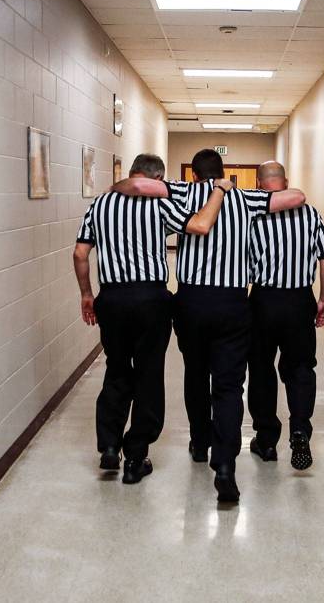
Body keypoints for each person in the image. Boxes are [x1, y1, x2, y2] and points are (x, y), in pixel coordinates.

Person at [113, 149, 307, 502]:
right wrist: (230, 188)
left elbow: (133, 186)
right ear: (221, 172)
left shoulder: (181, 192)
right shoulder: (247, 198)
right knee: (230, 385)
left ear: (193, 174)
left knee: (195, 373)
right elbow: (297, 197)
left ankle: (200, 443)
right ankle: (225, 466)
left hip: (191, 301)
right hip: (233, 302)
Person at [73, 153, 233, 485]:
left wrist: (87, 294)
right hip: (150, 299)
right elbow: (200, 226)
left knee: (117, 370)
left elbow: (80, 253)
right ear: (156, 180)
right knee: (148, 374)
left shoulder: (100, 205)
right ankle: (135, 457)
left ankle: (108, 446)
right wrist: (219, 191)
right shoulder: (158, 205)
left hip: (112, 298)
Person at [245, 161, 324, 471]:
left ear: (259, 185)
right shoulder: (310, 215)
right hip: (299, 301)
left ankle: (267, 440)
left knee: (260, 369)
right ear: (286, 182)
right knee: (300, 367)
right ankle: (299, 428)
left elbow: (242, 264)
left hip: (263, 300)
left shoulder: (252, 216)